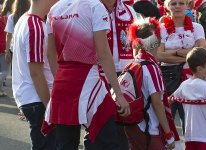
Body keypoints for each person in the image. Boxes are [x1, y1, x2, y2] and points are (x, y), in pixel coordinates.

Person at [42, 0, 130, 149]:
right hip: (88, 78)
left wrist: (60, 80)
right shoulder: (94, 6)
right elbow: (103, 53)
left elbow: (51, 54)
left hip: (62, 82)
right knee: (108, 142)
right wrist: (119, 94)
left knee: (66, 144)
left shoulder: (54, 10)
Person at [125, 17, 176, 150]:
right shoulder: (150, 67)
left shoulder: (134, 62)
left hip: (133, 125)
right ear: (156, 40)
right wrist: (168, 133)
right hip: (147, 127)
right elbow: (157, 103)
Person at [11, 0, 57, 149]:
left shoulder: (25, 19)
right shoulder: (35, 26)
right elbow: (36, 73)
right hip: (38, 99)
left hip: (32, 98)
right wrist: (50, 106)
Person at [157, 0, 206, 135]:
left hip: (191, 76)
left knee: (190, 122)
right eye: (173, 3)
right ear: (167, 7)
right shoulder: (160, 28)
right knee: (167, 120)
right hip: (168, 76)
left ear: (187, 6)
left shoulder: (197, 27)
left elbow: (202, 52)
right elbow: (159, 56)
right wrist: (185, 53)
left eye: (181, 3)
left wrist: (171, 53)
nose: (177, 6)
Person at [101, 0, 138, 149]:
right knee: (100, 122)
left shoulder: (129, 10)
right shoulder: (91, 7)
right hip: (100, 71)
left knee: (123, 122)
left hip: (125, 72)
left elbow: (136, 40)